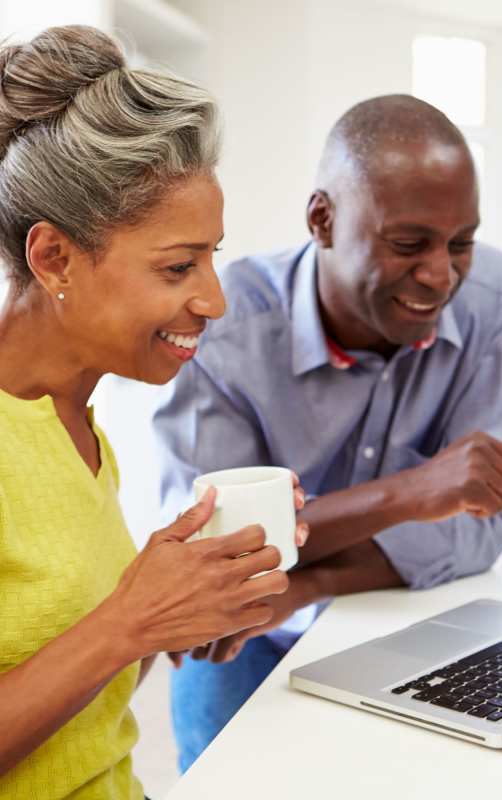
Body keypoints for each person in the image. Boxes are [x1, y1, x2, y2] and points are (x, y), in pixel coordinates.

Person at [154, 94, 502, 771]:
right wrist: (413, 494)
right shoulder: (224, 325)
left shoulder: (495, 299)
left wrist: (301, 584)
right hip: (244, 641)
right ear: (322, 220)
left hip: (400, 630)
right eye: (409, 244)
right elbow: (212, 560)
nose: (441, 275)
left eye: (462, 243)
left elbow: (483, 525)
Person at [0, 26, 306, 799]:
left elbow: (73, 706)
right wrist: (130, 622)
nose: (215, 299)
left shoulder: (79, 430)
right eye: (179, 266)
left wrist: (182, 620)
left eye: (212, 257)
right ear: (54, 259)